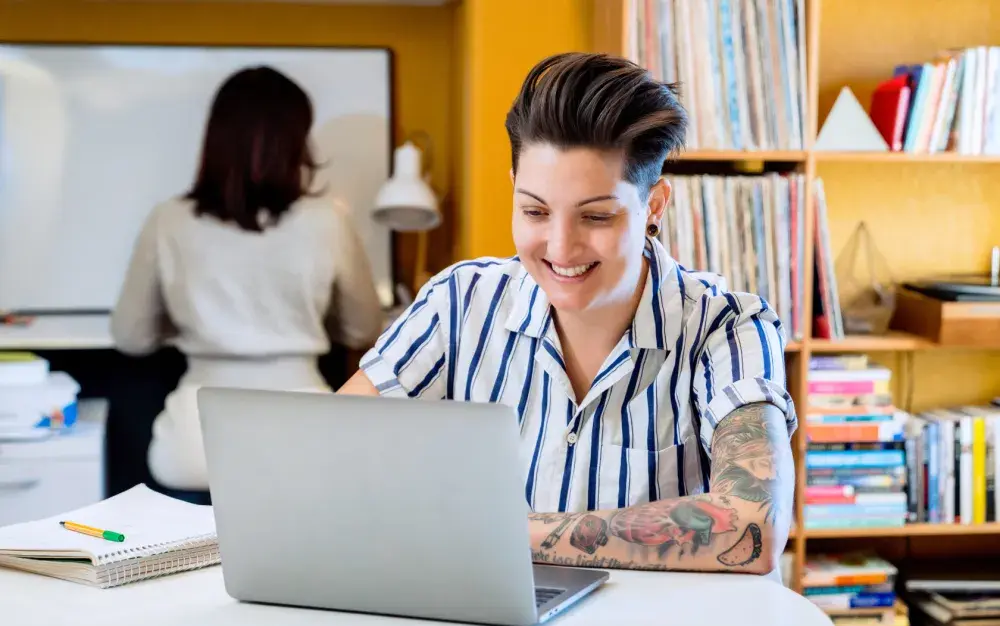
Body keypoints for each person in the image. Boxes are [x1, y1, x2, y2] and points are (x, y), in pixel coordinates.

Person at [339, 52, 796, 577]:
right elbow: (331, 453)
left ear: (654, 206)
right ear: (512, 185)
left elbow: (752, 527)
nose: (560, 247)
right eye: (534, 211)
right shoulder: (459, 301)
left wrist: (494, 534)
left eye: (596, 216)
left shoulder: (728, 330)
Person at [112, 66, 383, 496]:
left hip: (195, 446)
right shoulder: (329, 220)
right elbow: (362, 328)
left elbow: (130, 336)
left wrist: (183, 322)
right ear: (297, 141)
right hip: (304, 440)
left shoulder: (169, 220)